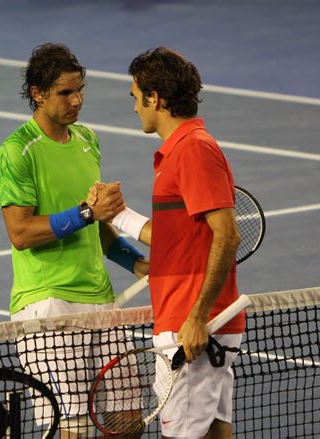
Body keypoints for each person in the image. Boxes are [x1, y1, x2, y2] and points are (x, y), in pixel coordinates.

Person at [88, 47, 245, 439]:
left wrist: (197, 317)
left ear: (154, 98)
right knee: (213, 432)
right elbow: (175, 239)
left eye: (135, 97)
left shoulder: (193, 149)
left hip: (192, 322)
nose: (135, 107)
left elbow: (227, 234)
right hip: (190, 317)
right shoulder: (180, 151)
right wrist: (118, 214)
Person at [0, 43, 147, 438]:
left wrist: (137, 264)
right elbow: (21, 232)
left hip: (101, 301)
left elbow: (95, 225)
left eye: (80, 90)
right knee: (73, 429)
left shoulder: (87, 140)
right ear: (38, 93)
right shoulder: (17, 152)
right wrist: (85, 213)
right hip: (49, 306)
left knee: (128, 422)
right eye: (65, 92)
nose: (76, 100)